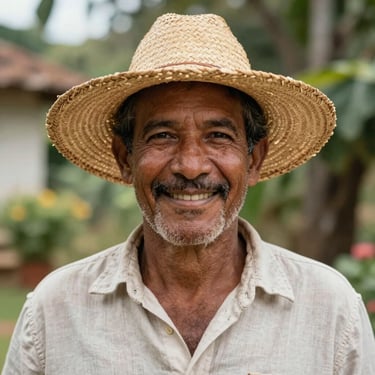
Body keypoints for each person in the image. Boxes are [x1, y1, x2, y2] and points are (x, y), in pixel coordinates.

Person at [3, 13, 375, 375]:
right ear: (125, 158)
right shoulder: (55, 311)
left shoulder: (330, 309)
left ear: (254, 159)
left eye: (218, 136)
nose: (191, 165)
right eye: (163, 136)